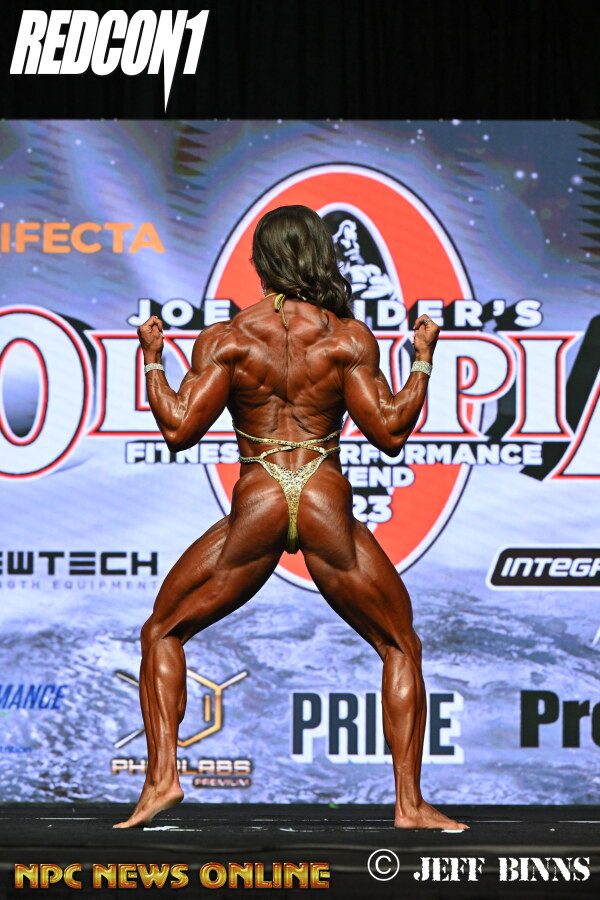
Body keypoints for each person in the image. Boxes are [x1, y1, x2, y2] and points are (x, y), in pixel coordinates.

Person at [114, 205, 467, 831]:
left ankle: (162, 780)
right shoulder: (346, 338)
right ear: (319, 256)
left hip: (259, 497)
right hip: (325, 496)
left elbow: (178, 428)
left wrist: (151, 357)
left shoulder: (229, 339)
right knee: (399, 644)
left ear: (261, 262)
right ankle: (410, 806)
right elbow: (390, 432)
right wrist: (422, 358)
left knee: (162, 631)